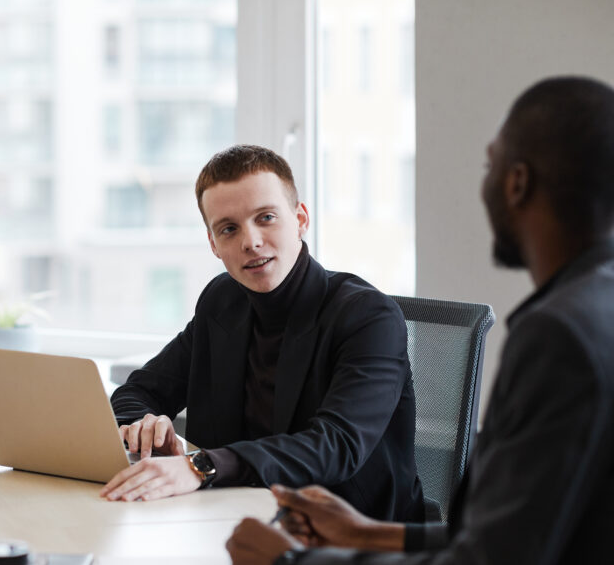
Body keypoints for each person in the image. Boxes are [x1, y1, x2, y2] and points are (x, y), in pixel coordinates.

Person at [225, 76, 614, 565]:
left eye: (489, 167)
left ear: (518, 182)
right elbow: (524, 540)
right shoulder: (597, 304)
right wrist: (371, 535)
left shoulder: (560, 335)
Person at [100, 144, 427, 524]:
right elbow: (137, 392)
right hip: (227, 521)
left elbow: (336, 445)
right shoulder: (222, 302)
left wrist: (202, 467)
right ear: (213, 244)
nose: (250, 241)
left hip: (351, 540)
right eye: (229, 228)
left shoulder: (369, 317)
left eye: (266, 217)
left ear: (301, 219)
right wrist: (146, 428)